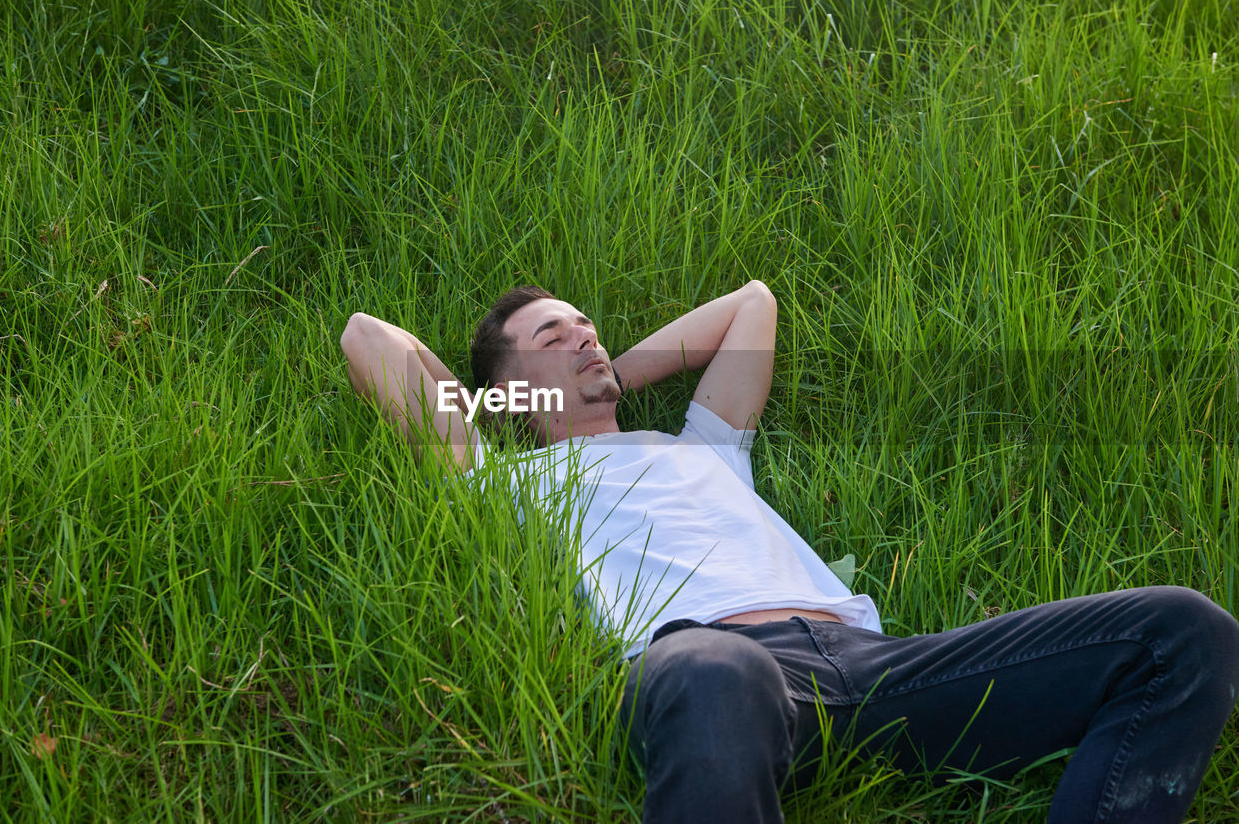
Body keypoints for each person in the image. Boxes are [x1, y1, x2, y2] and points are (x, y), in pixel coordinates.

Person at [340, 282, 1239, 823]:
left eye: (587, 325)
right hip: (716, 669)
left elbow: (752, 306)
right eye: (552, 334)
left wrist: (608, 373)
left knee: (1184, 630)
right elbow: (366, 338)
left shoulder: (702, 448)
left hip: (877, 667)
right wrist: (508, 406)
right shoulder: (499, 483)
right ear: (499, 388)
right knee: (711, 671)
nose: (583, 334)